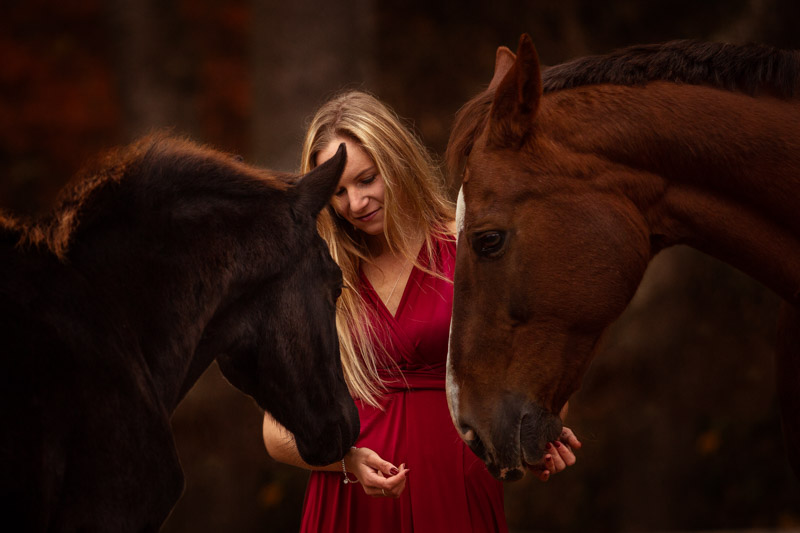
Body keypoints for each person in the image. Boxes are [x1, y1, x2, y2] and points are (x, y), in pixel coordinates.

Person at [262, 90, 581, 532]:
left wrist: (536, 434)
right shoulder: (317, 278)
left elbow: (534, 374)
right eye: (337, 191)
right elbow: (276, 432)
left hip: (455, 486)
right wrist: (347, 461)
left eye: (367, 179)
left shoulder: (472, 249)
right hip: (352, 500)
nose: (356, 203)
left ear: (396, 162)